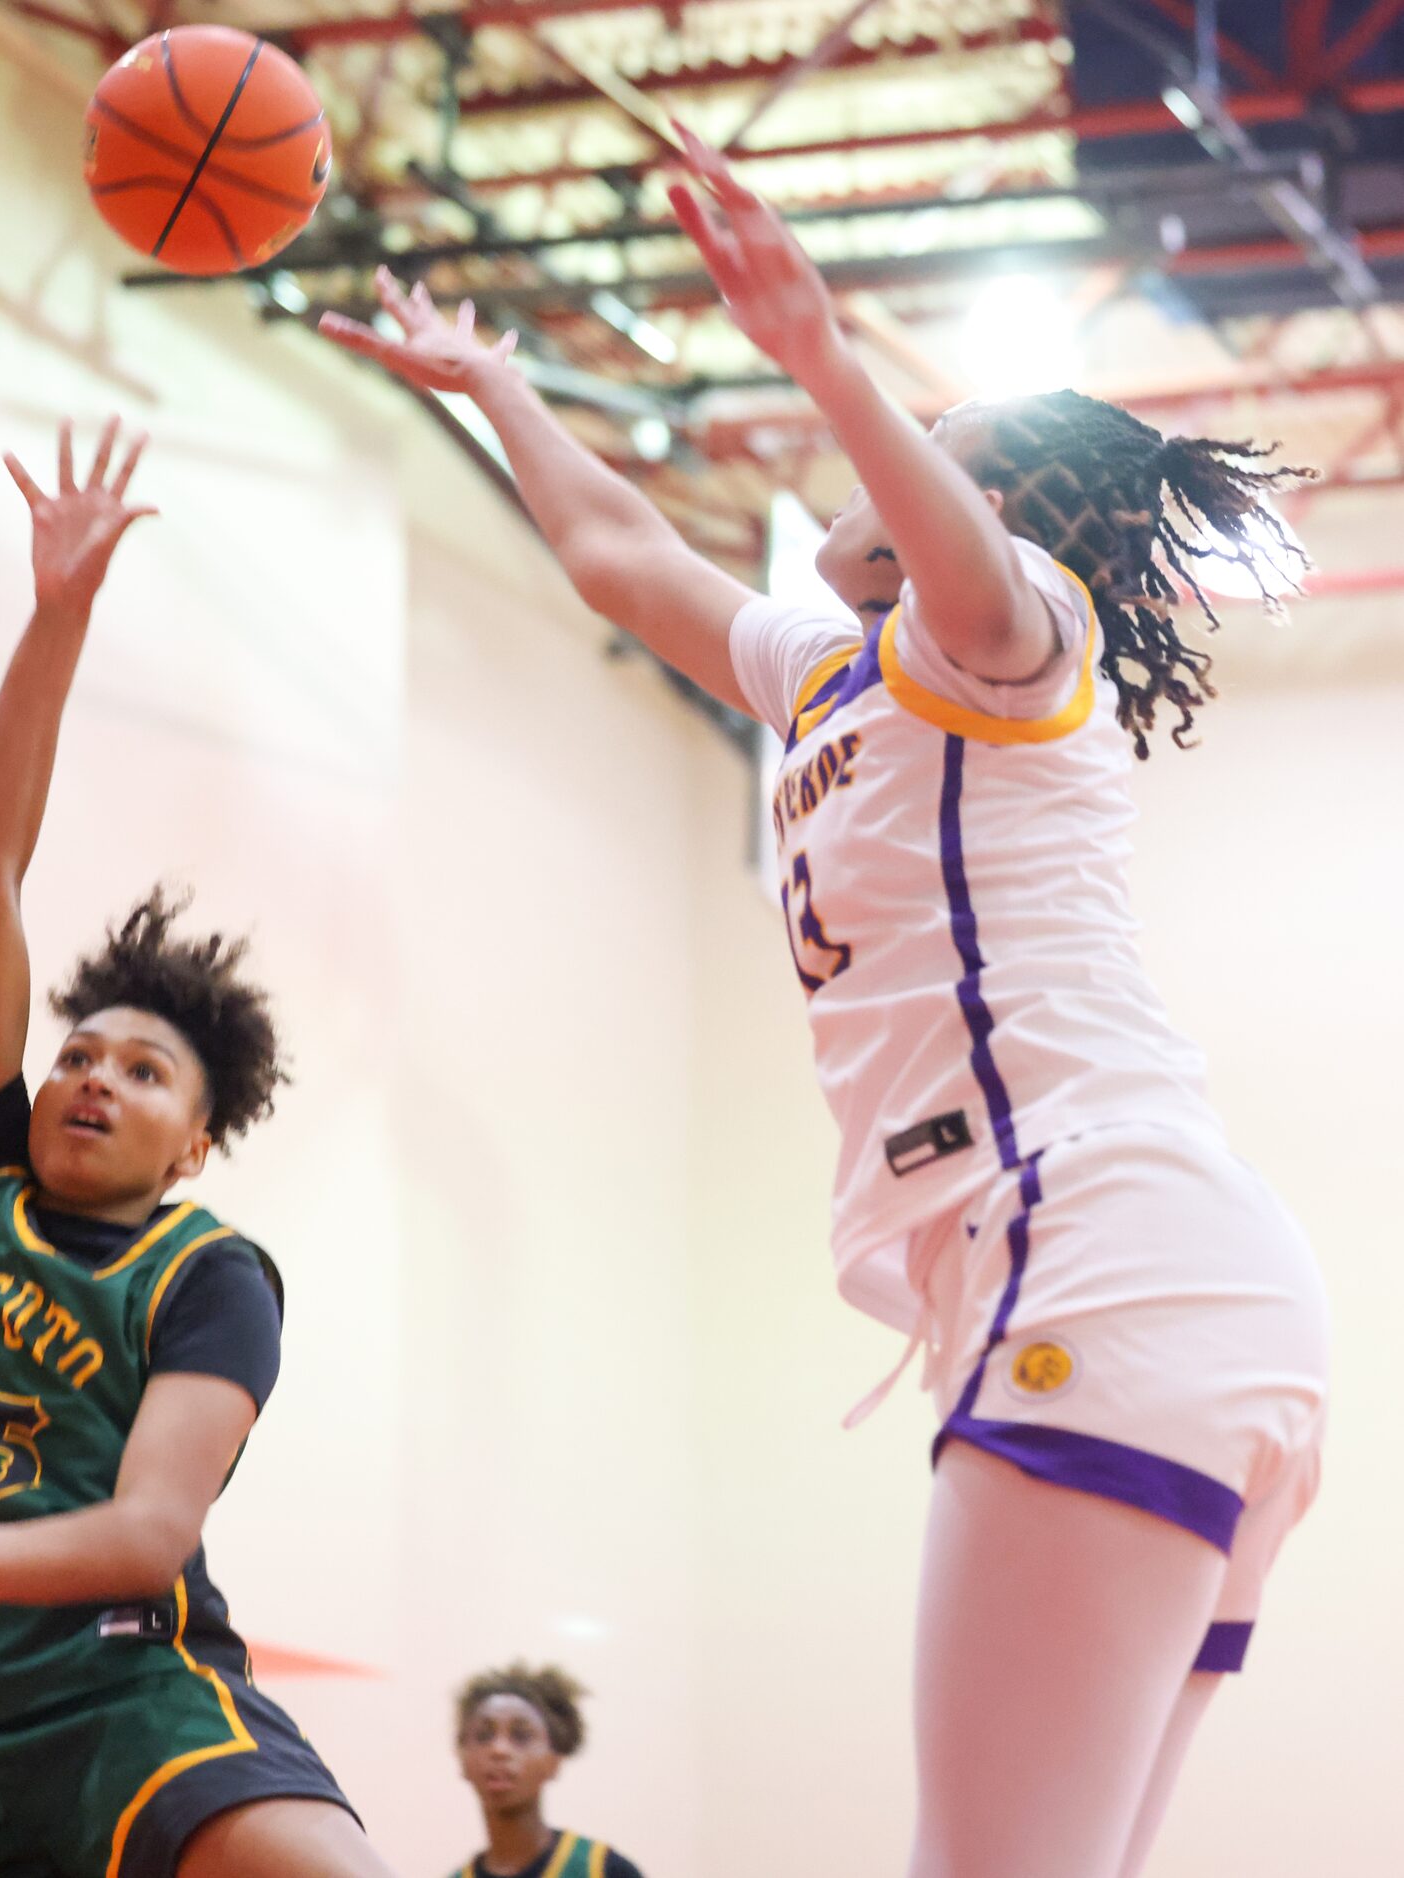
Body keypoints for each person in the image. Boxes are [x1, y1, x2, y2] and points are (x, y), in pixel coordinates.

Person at [322, 129, 1330, 1878]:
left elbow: (972, 569)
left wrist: (821, 356)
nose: (870, 475)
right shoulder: (829, 669)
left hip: (1094, 1249)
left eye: (927, 461)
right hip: (1160, 1284)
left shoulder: (1017, 642)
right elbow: (625, 557)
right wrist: (495, 385)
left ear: (981, 507)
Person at [0, 420, 395, 1878]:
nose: (90, 1078)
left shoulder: (210, 1270)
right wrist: (58, 615)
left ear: (192, 1145)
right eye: (76, 1052)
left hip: (132, 1697)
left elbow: (145, 1527)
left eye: (142, 1068)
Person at [451, 1665, 642, 1878]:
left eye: (521, 1735)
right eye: (484, 1736)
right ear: (462, 1761)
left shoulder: (604, 1870)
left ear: (555, 1760)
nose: (499, 1750)